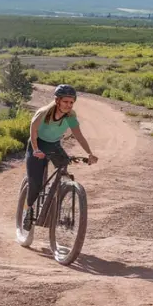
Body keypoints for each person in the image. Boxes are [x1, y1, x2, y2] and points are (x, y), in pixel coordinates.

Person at [22, 84, 98, 230]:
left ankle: (58, 193)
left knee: (64, 166)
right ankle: (29, 209)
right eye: (65, 101)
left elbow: (78, 135)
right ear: (57, 101)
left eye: (71, 102)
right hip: (37, 143)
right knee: (35, 183)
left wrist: (89, 153)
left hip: (54, 145)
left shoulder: (70, 116)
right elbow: (33, 130)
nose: (69, 105)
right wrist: (36, 149)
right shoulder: (44, 113)